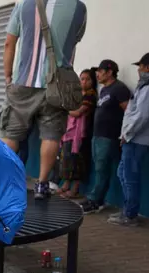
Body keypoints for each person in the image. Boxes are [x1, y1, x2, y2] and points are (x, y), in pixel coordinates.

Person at [1, 0, 87, 199]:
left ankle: (2, 182)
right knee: (51, 136)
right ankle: (42, 184)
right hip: (57, 85)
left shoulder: (24, 4)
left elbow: (9, 42)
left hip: (23, 81)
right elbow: (74, 40)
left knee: (10, 134)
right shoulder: (78, 7)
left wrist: (8, 77)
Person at [109, 52, 149, 227]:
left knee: (130, 176)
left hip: (137, 139)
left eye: (140, 66)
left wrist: (126, 135)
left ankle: (130, 215)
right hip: (138, 137)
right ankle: (128, 209)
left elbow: (142, 115)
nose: (139, 70)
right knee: (124, 173)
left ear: (148, 67)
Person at [80, 60, 132, 214]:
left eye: (101, 71)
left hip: (109, 136)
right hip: (98, 135)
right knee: (98, 167)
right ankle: (96, 198)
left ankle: (95, 200)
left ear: (110, 72)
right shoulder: (104, 90)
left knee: (102, 168)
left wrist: (124, 132)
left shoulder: (119, 89)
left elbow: (128, 112)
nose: (98, 74)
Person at [58, 68, 97, 198]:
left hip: (81, 134)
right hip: (69, 133)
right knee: (67, 159)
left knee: (77, 161)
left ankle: (74, 189)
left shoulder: (90, 95)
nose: (84, 81)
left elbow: (78, 112)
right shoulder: (77, 94)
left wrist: (65, 109)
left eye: (87, 79)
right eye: (82, 79)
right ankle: (65, 184)